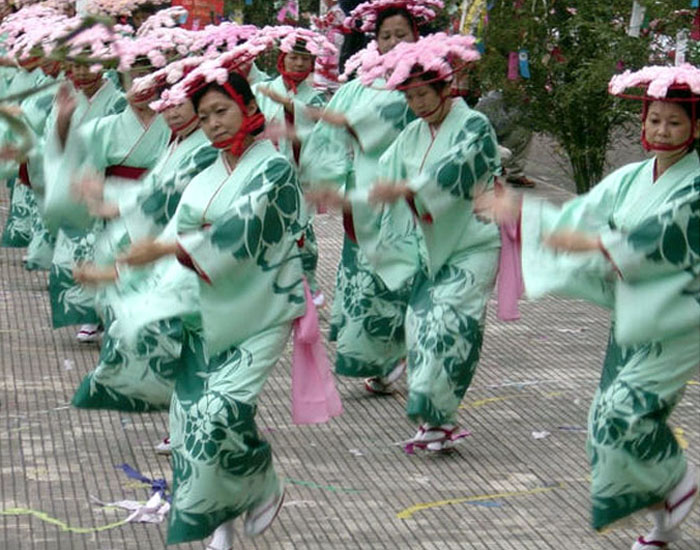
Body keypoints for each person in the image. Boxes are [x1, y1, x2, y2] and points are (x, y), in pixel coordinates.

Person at [475, 64, 700, 549]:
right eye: (655, 119)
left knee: (627, 411)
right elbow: (583, 216)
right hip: (637, 312)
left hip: (682, 317)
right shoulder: (633, 176)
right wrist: (530, 217)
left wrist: (531, 218)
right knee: (605, 422)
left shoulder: (697, 187)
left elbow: (643, 244)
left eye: (675, 122)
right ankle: (665, 524)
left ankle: (678, 479)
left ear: (696, 129)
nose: (662, 130)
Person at [104, 63, 313, 548]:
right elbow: (177, 227)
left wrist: (160, 250)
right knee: (189, 420)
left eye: (223, 110)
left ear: (249, 109)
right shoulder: (208, 169)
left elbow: (240, 232)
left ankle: (261, 480)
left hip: (261, 308)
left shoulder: (274, 168)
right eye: (206, 115)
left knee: (219, 410)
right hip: (208, 310)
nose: (214, 122)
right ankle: (220, 524)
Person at [314, 32, 499, 451]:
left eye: (423, 94)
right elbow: (384, 178)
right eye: (410, 97)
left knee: (451, 326)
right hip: (430, 247)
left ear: (445, 86)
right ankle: (437, 419)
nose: (417, 105)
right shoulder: (413, 134)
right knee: (420, 329)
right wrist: (348, 197)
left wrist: (407, 190)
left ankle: (440, 416)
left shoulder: (474, 126)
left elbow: (454, 175)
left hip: (471, 244)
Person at [301, 0, 441, 395]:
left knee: (401, 275)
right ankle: (377, 359)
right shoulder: (358, 86)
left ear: (417, 36)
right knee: (363, 278)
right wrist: (330, 178)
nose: (394, 42)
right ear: (373, 40)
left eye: (402, 34)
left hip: (407, 192)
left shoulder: (426, 83)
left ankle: (399, 350)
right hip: (363, 194)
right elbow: (329, 136)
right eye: (385, 36)